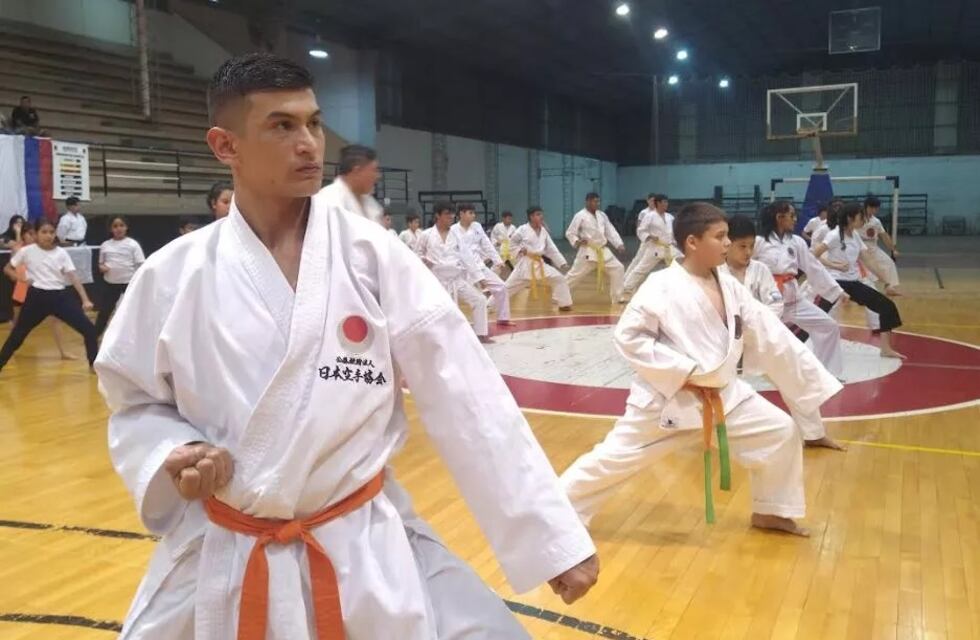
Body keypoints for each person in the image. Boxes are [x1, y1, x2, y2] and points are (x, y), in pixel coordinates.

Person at [96, 53, 599, 639]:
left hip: (363, 547)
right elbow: (133, 401)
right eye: (282, 126)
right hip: (226, 553)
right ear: (224, 146)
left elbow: (468, 396)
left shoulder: (373, 257)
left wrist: (550, 537)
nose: (309, 143)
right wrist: (173, 451)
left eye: (313, 123)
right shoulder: (172, 274)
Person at [559, 202, 842, 536]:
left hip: (724, 394)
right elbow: (629, 337)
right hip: (669, 399)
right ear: (693, 242)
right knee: (613, 459)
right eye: (720, 237)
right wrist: (684, 370)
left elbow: (769, 332)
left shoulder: (729, 284)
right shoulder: (661, 284)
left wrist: (808, 380)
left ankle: (772, 510)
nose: (727, 243)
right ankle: (556, 510)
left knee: (780, 431)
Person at [721, 215, 845, 451]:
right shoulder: (715, 273)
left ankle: (814, 434)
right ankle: (695, 432)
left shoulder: (760, 270)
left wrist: (752, 323)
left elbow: (775, 304)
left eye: (750, 246)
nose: (747, 252)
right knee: (713, 389)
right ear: (727, 245)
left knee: (794, 379)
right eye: (741, 246)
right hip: (726, 344)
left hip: (760, 339)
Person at [753, 201, 847, 379]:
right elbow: (743, 267)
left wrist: (837, 291)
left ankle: (828, 373)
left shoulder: (797, 242)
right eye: (791, 215)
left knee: (828, 326)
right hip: (766, 301)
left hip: (793, 299)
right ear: (779, 218)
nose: (795, 219)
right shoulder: (758, 242)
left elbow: (813, 267)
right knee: (759, 336)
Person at [0, 220, 97, 373]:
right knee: (18, 334)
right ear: (36, 234)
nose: (48, 236)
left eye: (51, 232)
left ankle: (93, 365)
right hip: (36, 297)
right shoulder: (27, 251)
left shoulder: (61, 253)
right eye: (44, 232)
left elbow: (73, 277)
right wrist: (21, 278)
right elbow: (7, 268)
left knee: (89, 330)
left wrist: (85, 299)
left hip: (59, 297)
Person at [813, 202, 905, 359]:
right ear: (850, 218)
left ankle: (885, 349)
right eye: (860, 217)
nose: (864, 220)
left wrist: (886, 281)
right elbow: (814, 254)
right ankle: (796, 346)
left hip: (853, 283)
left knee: (886, 306)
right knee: (815, 315)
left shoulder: (855, 235)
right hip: (835, 283)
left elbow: (868, 260)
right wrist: (833, 264)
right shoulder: (834, 235)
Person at [417, 202, 494, 343]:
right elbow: (416, 255)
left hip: (455, 279)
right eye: (447, 214)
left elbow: (467, 257)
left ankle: (480, 334)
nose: (451, 217)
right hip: (436, 281)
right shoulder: (426, 235)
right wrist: (424, 260)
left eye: (452, 214)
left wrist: (480, 278)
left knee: (480, 299)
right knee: (439, 312)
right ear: (437, 215)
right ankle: (434, 339)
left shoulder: (456, 235)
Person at [451, 203, 514, 327]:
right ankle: (459, 324)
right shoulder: (453, 230)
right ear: (461, 214)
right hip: (462, 269)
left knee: (501, 287)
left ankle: (503, 318)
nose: (473, 216)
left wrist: (497, 260)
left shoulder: (477, 226)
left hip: (479, 266)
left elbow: (486, 244)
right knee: (467, 298)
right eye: (470, 213)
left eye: (474, 213)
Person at [505, 206, 573, 311]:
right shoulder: (522, 229)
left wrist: (562, 262)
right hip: (525, 265)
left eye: (541, 214)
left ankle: (564, 304)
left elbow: (551, 248)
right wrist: (519, 250)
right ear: (531, 217)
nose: (541, 217)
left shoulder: (543, 231)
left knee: (559, 279)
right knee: (506, 288)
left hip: (539, 264)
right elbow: (512, 243)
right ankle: (489, 306)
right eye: (538, 214)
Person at [564, 192, 626, 303]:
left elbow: (610, 230)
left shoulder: (602, 215)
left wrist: (618, 244)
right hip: (588, 251)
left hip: (602, 250)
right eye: (594, 201)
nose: (597, 203)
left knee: (618, 268)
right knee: (574, 275)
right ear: (587, 202)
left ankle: (618, 297)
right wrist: (577, 241)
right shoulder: (580, 215)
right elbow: (570, 233)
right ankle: (559, 295)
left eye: (598, 201)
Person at [94, 216, 145, 337]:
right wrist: (102, 267)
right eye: (115, 226)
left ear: (126, 227)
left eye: (121, 225)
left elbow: (141, 264)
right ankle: (94, 336)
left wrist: (137, 281)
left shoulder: (133, 244)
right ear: (111, 229)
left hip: (129, 284)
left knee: (134, 311)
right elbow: (100, 263)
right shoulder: (105, 245)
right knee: (104, 312)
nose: (119, 229)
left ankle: (140, 336)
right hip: (110, 284)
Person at [622, 193, 673, 299]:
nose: (666, 204)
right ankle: (627, 288)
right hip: (654, 247)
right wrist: (649, 236)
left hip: (669, 248)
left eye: (667, 202)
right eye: (664, 202)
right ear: (658, 203)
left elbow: (672, 232)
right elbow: (641, 230)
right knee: (642, 268)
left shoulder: (670, 217)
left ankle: (677, 290)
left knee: (679, 267)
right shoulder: (649, 216)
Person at [323, 144, 384, 223]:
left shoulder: (370, 202)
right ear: (357, 171)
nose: (378, 176)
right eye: (374, 170)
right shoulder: (329, 200)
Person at [858, 196, 901, 296]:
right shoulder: (857, 218)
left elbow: (884, 236)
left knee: (888, 262)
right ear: (866, 207)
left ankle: (889, 286)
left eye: (876, 209)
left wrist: (893, 249)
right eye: (872, 208)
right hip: (859, 249)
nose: (874, 210)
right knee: (865, 270)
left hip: (873, 247)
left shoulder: (876, 221)